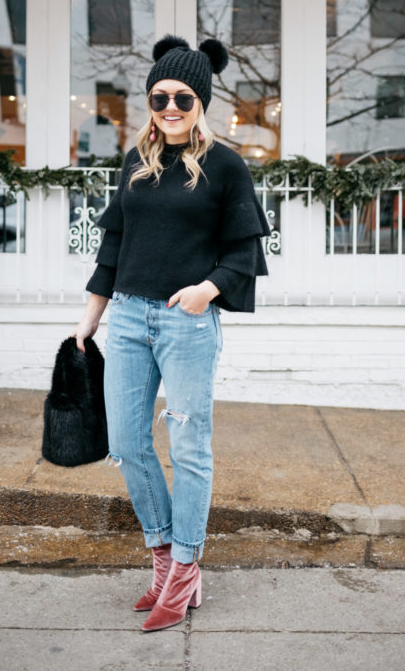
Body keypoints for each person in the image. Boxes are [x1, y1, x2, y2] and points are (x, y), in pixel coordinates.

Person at [73, 34, 271, 632]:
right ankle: (163, 559)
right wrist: (88, 325)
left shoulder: (226, 165)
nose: (170, 107)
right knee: (127, 444)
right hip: (128, 319)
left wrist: (204, 291)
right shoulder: (136, 162)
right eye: (160, 96)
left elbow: (244, 254)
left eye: (183, 97)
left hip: (187, 323)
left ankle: (185, 567)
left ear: (201, 99)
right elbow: (113, 248)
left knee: (188, 450)